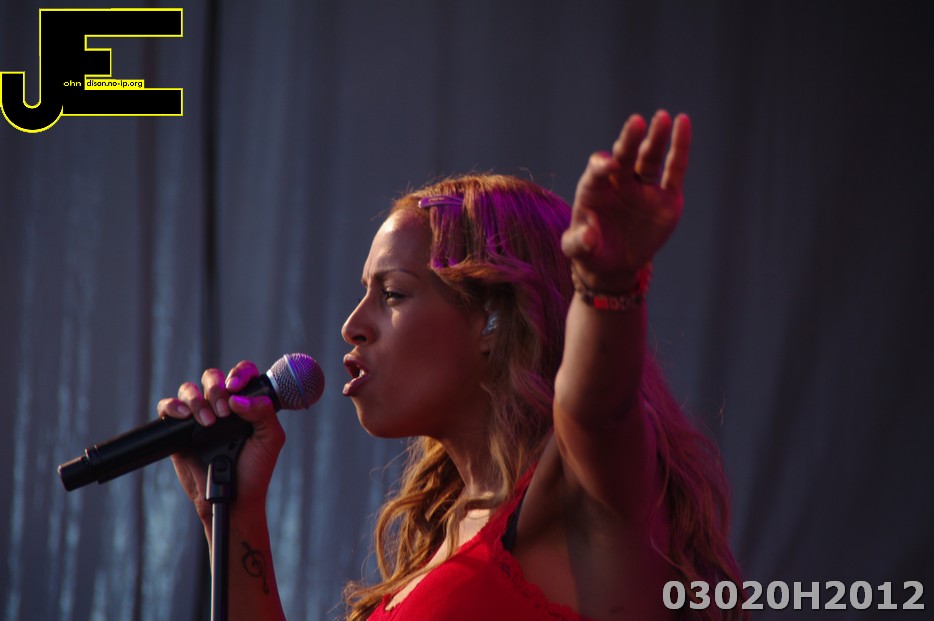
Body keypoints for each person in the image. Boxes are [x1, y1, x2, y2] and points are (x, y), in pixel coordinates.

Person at [159, 110, 745, 620]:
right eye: (365, 293)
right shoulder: (445, 536)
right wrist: (234, 513)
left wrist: (605, 287)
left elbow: (598, 408)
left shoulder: (580, 492)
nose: (352, 325)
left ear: (493, 320)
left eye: (393, 293)